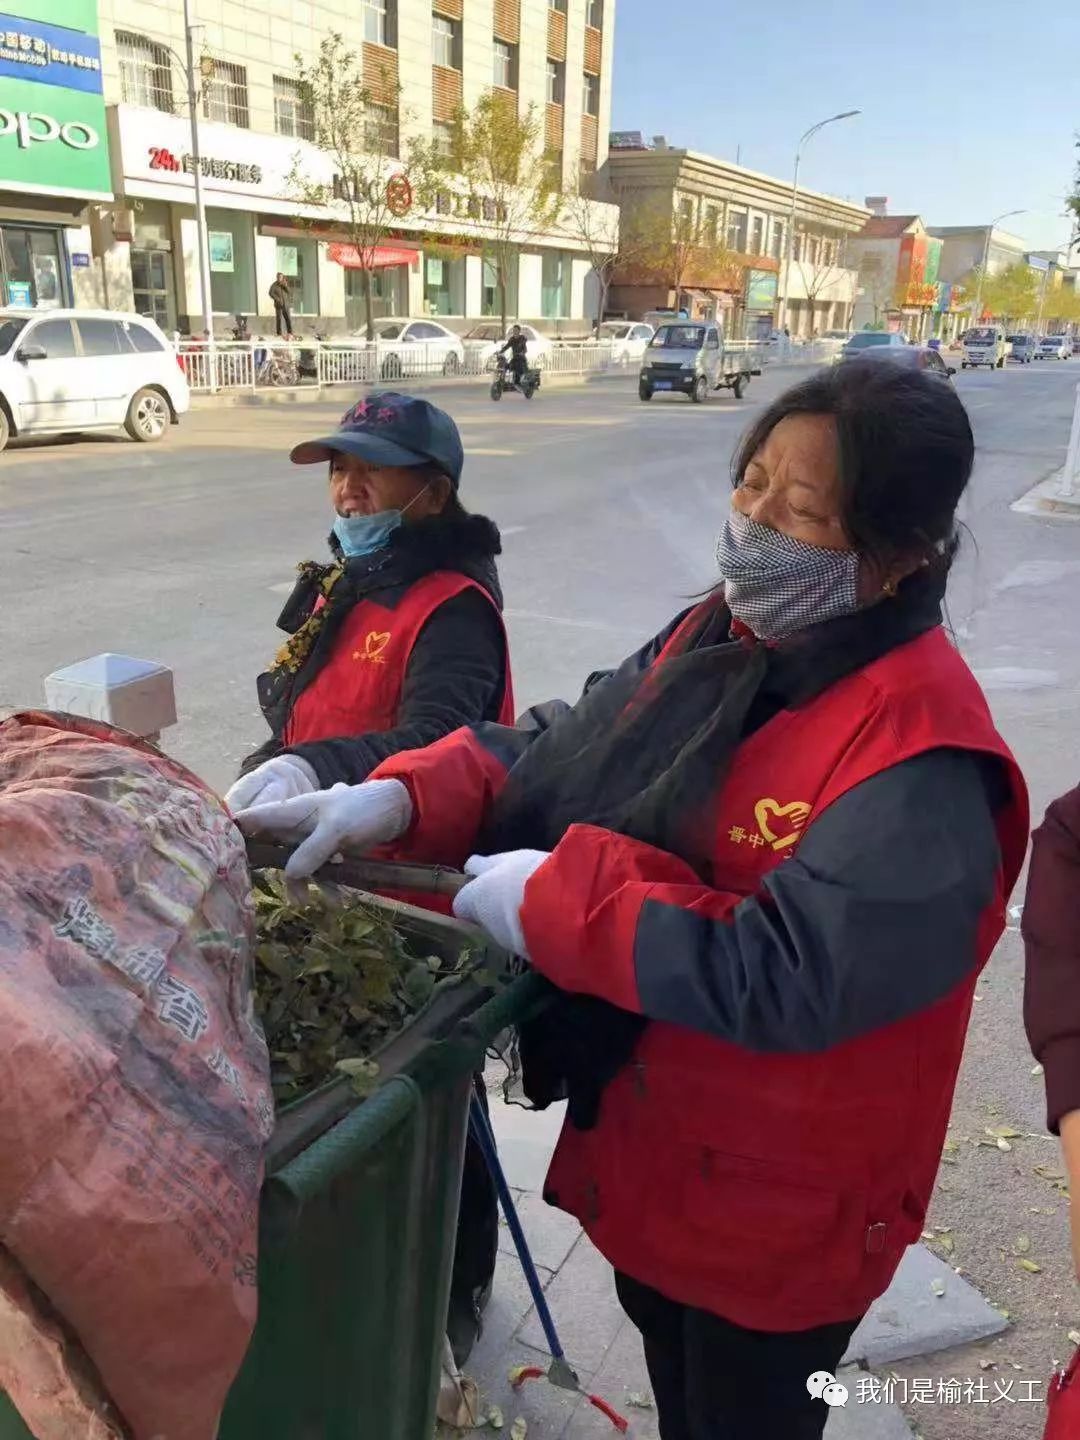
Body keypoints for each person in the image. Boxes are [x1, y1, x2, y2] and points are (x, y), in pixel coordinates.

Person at [236, 361, 1029, 1439]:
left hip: (782, 1226)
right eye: (751, 484)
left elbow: (792, 971)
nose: (754, 523)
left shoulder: (925, 755)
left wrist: (565, 901)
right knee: (675, 1385)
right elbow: (570, 740)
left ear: (903, 555)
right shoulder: (722, 636)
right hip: (662, 1165)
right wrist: (389, 795)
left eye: (803, 511)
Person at [227, 390, 514, 810]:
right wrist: (266, 766)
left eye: (373, 469)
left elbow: (437, 745)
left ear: (434, 495)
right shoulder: (351, 584)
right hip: (313, 830)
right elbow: (304, 723)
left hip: (398, 860)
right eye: (339, 469)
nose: (349, 489)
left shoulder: (455, 611)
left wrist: (310, 769)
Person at [269, 272, 292, 337]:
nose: (280, 278)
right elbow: (270, 293)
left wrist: (285, 286)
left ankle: (290, 332)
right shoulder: (274, 285)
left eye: (281, 277)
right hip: (278, 305)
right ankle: (279, 333)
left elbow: (289, 292)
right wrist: (277, 299)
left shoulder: (284, 283)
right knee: (279, 319)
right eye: (278, 277)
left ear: (282, 277)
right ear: (277, 277)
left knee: (288, 318)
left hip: (286, 305)